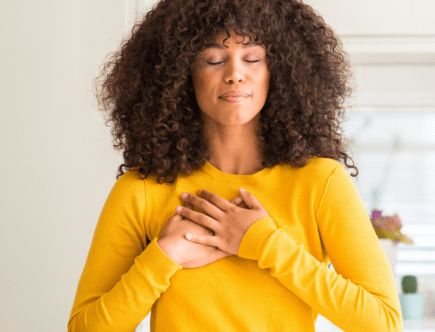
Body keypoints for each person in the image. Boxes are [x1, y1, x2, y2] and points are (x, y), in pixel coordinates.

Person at [68, 0, 403, 331]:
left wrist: (265, 244)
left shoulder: (321, 182)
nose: (234, 75)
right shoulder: (141, 191)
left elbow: (383, 323)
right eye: (213, 59)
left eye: (253, 58)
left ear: (280, 70)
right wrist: (163, 256)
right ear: (181, 73)